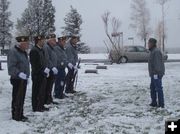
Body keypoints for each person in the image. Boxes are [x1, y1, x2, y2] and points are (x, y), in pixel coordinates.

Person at [7, 36, 30, 121]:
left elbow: (25, 65)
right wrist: (19, 73)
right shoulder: (14, 52)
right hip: (17, 79)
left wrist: (27, 76)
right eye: (26, 44)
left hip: (23, 78)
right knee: (17, 97)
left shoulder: (23, 52)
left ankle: (20, 113)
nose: (27, 45)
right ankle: (16, 115)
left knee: (22, 97)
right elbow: (11, 67)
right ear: (20, 44)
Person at [29, 35, 49, 112]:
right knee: (36, 91)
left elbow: (43, 61)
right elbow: (35, 64)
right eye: (42, 41)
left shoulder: (41, 50)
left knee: (42, 91)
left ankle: (41, 105)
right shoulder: (34, 50)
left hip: (42, 73)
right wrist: (42, 70)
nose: (44, 42)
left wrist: (45, 69)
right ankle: (36, 107)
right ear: (38, 41)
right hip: (37, 74)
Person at [148, 38, 165, 108]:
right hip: (153, 74)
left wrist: (156, 73)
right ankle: (154, 102)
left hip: (156, 74)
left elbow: (157, 64)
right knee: (152, 88)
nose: (148, 44)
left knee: (158, 88)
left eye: (149, 43)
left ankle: (161, 104)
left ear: (152, 44)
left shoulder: (156, 52)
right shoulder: (152, 51)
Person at [43, 33, 58, 104]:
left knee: (51, 85)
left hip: (53, 69)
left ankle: (49, 98)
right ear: (49, 40)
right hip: (49, 69)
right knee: (48, 86)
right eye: (53, 40)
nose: (55, 41)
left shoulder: (53, 48)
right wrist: (52, 67)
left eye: (55, 40)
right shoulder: (46, 47)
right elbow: (47, 59)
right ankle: (46, 99)